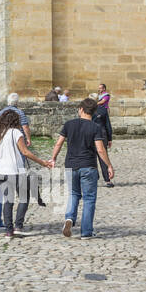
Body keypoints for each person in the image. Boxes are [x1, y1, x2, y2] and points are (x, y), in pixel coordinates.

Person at [50, 97, 114, 239]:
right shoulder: (95, 127)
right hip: (88, 166)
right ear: (94, 111)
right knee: (89, 199)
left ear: (80, 109)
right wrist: (109, 165)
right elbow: (101, 150)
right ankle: (86, 232)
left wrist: (53, 158)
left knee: (73, 194)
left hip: (71, 166)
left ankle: (69, 219)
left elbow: (59, 143)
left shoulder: (69, 124)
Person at [0, 108, 53, 237]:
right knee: (24, 198)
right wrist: (42, 162)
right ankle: (18, 225)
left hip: (0, 171)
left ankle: (9, 230)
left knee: (8, 201)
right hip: (15, 170)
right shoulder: (15, 132)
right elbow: (25, 152)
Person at [94, 84, 115, 187]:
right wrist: (110, 138)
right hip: (101, 134)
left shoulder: (87, 110)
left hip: (91, 135)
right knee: (103, 157)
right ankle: (107, 180)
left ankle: (96, 178)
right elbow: (108, 125)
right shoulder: (102, 111)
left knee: (92, 158)